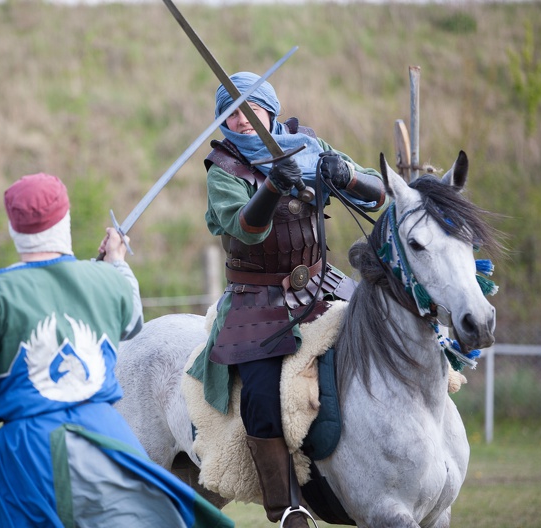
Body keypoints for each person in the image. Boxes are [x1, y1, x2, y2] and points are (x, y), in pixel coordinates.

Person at [0, 173, 233, 528]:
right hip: (105, 437)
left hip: (27, 448)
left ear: (14, 228)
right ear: (64, 222)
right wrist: (116, 261)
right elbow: (131, 321)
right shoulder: (106, 281)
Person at [186, 72, 387, 527]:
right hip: (256, 298)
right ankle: (287, 510)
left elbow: (377, 195)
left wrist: (347, 173)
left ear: (270, 111)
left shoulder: (309, 146)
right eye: (232, 112)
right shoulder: (225, 168)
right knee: (260, 396)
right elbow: (245, 228)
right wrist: (273, 186)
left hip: (322, 284)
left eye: (251, 108)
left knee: (386, 339)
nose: (242, 120)